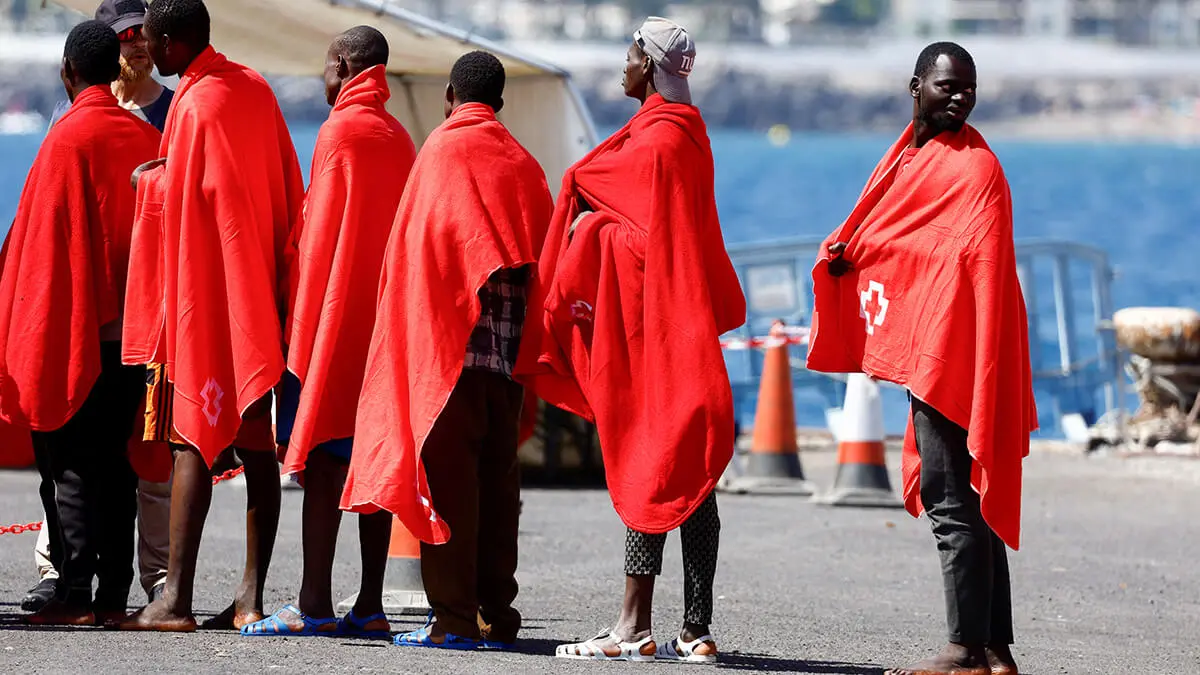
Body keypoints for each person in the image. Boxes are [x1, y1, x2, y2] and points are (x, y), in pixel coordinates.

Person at [515, 17, 745, 663]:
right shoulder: (687, 138)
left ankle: (632, 627)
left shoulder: (654, 144)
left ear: (648, 64)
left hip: (652, 330)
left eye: (630, 54)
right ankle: (694, 629)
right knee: (693, 471)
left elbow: (643, 241)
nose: (622, 65)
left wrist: (590, 234)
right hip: (685, 322)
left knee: (648, 456)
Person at [805, 42, 1036, 675]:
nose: (960, 96)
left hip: (958, 354)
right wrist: (852, 250)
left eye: (969, 87)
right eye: (947, 86)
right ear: (916, 87)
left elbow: (971, 267)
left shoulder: (976, 169)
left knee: (953, 502)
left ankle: (964, 651)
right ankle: (994, 651)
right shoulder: (913, 156)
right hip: (936, 344)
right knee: (969, 503)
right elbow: (904, 236)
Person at [340, 50, 552, 650]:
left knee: (451, 488)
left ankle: (454, 619)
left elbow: (417, 257)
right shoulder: (524, 163)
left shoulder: (441, 150)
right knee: (498, 489)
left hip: (450, 356)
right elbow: (543, 258)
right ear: (500, 103)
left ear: (452, 96)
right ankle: (496, 614)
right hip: (507, 361)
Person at [116, 0, 304, 632]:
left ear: (171, 41)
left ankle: (174, 600)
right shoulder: (253, 87)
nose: (147, 50)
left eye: (150, 40)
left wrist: (150, 182)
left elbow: (189, 201)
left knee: (189, 436)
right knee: (256, 447)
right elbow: (280, 183)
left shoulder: (194, 104)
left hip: (209, 296)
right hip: (255, 295)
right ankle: (250, 596)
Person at [239, 26, 416, 638]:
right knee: (374, 458)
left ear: (344, 66)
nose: (322, 79)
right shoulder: (398, 137)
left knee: (320, 458)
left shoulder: (340, 132)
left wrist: (298, 324)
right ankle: (369, 604)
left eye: (326, 68)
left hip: (337, 321)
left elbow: (318, 240)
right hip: (385, 323)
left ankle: (313, 601)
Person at [0, 19, 161, 626]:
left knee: (66, 460)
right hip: (136, 334)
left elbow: (39, 248)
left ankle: (71, 594)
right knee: (116, 465)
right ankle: (113, 596)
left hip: (79, 330)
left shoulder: (66, 139)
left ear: (67, 73)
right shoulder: (143, 137)